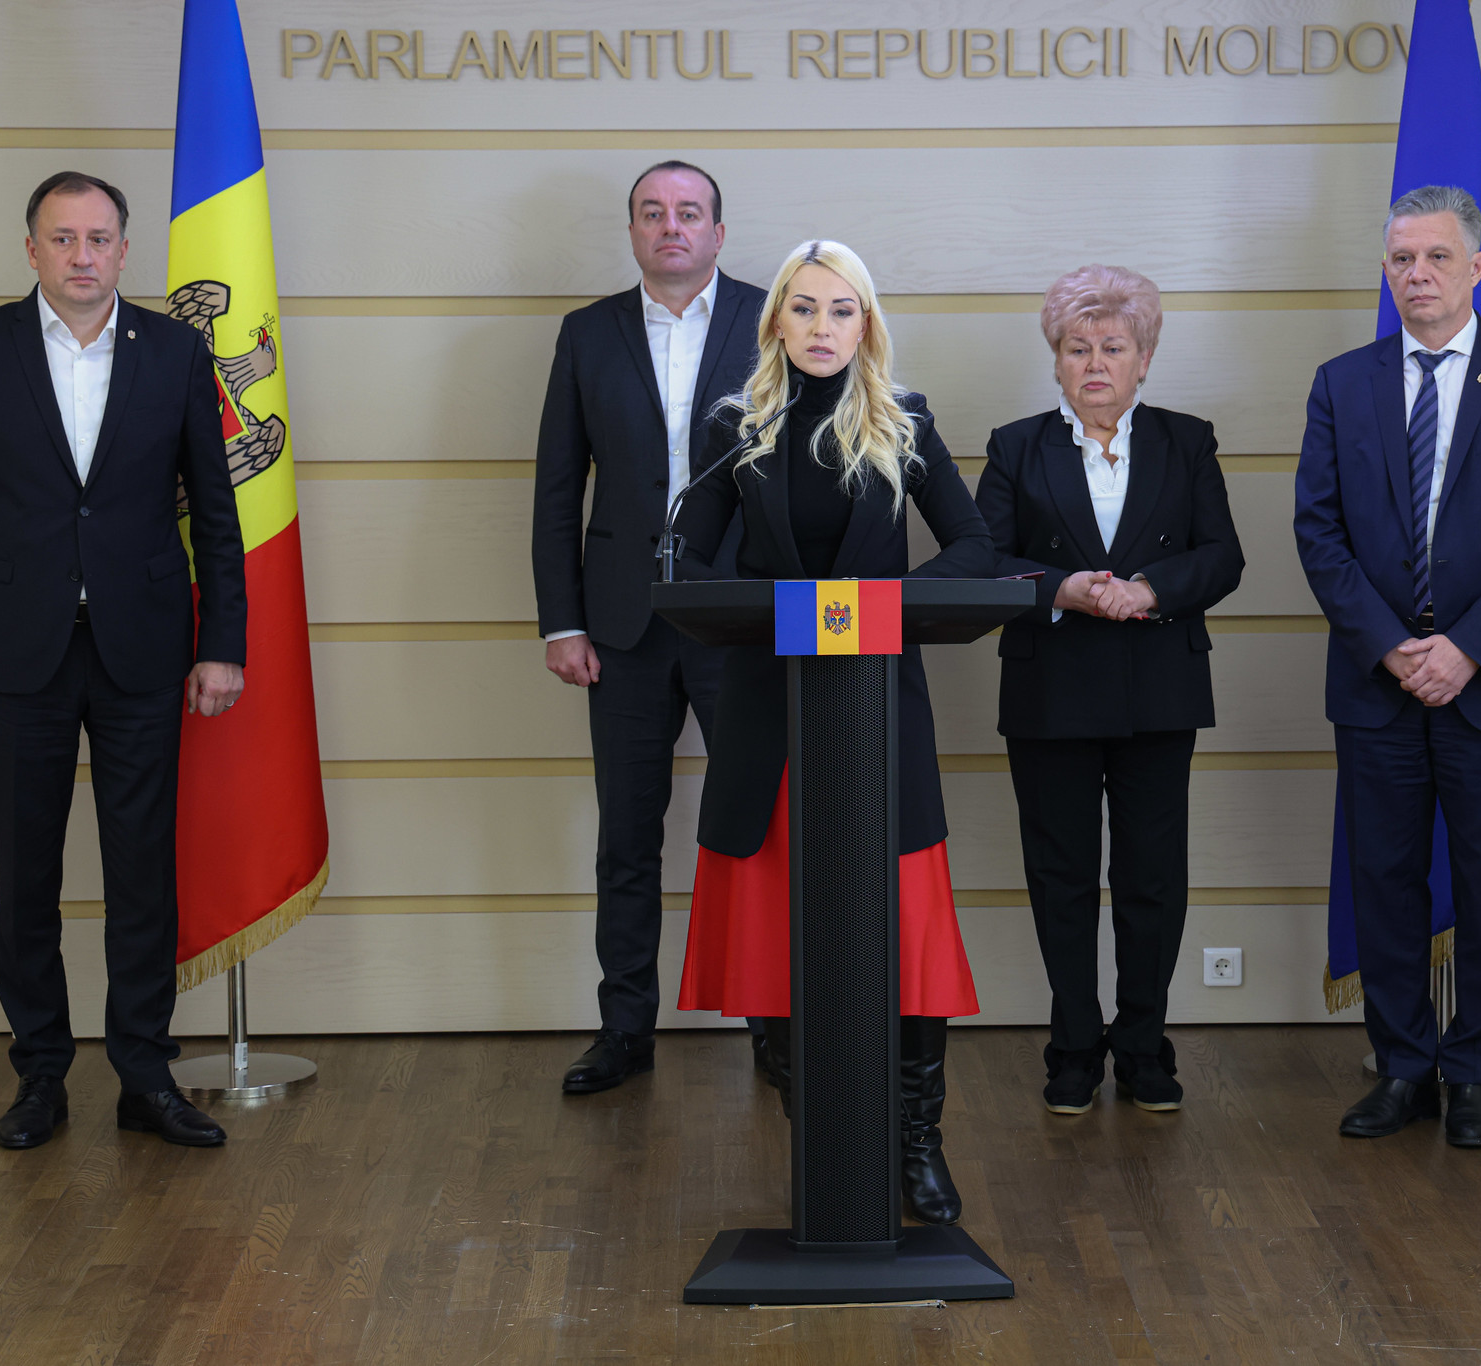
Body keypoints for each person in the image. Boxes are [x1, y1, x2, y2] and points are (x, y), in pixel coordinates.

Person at [0, 171, 248, 1150]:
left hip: (145, 649)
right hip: (14, 660)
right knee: (27, 875)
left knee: (143, 873)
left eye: (99, 238)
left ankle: (144, 1075)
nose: (82, 255)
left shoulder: (176, 351)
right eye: (63, 238)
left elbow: (215, 515)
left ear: (125, 251)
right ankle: (41, 1076)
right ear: (32, 249)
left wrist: (222, 643)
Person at [671, 239, 994, 1225]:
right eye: (804, 308)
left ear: (866, 324)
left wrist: (881, 606)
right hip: (769, 709)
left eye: (841, 310)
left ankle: (914, 1140)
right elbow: (687, 556)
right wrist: (773, 608)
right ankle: (821, 1127)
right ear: (776, 319)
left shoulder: (904, 421)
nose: (821, 327)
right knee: (778, 928)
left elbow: (973, 545)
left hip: (877, 707)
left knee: (904, 934)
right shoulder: (735, 425)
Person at [1294, 184, 1481, 1148]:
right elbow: (1319, 532)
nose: (1417, 274)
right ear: (1386, 271)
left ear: (1477, 268)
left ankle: (1475, 1073)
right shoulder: (1343, 382)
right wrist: (1392, 647)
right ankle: (1403, 1066)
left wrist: (1465, 650)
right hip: (1376, 681)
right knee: (1383, 879)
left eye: (1436, 257)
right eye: (1401, 259)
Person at [973, 265, 1245, 1117]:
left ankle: (1144, 1048)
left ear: (1145, 358)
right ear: (1056, 360)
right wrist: (1063, 588)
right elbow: (981, 560)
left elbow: (1222, 556)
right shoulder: (1016, 446)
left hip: (1158, 688)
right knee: (1060, 877)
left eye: (1114, 348)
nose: (1095, 363)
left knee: (1151, 878)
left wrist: (1151, 589)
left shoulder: (1187, 441)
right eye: (1077, 348)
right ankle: (1073, 1051)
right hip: (1050, 691)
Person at [531, 161, 771, 1095]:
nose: (672, 226)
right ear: (632, 230)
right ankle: (625, 1031)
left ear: (718, 231)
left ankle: (774, 1028)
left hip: (741, 617)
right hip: (621, 626)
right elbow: (559, 488)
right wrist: (562, 622)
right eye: (653, 213)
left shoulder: (773, 319)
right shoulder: (588, 333)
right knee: (626, 839)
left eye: (689, 212)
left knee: (754, 831)